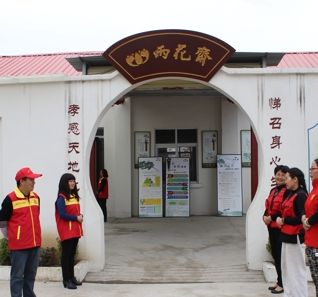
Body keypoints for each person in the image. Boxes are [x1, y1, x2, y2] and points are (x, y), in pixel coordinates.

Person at [0, 167, 42, 297]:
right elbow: (2, 222)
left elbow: (35, 217)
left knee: (30, 275)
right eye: (31, 179)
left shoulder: (36, 197)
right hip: (19, 247)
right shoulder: (10, 199)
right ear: (21, 181)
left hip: (35, 244)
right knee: (17, 277)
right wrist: (12, 236)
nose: (34, 182)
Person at [276, 167, 308, 297]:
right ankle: (289, 294)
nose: (285, 180)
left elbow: (300, 219)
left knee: (296, 271)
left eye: (287, 177)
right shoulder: (290, 193)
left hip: (295, 238)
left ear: (295, 180)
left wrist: (284, 220)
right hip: (286, 236)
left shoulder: (301, 195)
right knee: (287, 270)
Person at [263, 165, 289, 294]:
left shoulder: (287, 192)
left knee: (280, 256)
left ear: (287, 177)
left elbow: (283, 210)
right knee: (275, 255)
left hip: (280, 229)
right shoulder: (273, 190)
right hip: (271, 228)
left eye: (283, 175)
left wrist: (271, 217)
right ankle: (279, 281)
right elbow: (268, 207)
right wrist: (265, 216)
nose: (280, 177)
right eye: (278, 174)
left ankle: (283, 283)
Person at [55, 173, 83, 289]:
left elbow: (74, 211)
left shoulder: (73, 196)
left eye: (73, 181)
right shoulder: (61, 198)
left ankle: (71, 278)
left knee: (71, 255)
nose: (72, 183)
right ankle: (66, 280)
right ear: (64, 183)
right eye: (70, 181)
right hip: (67, 231)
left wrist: (79, 216)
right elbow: (62, 214)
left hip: (75, 230)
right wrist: (76, 218)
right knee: (66, 256)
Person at [303, 158, 318, 297]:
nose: (311, 172)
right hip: (311, 241)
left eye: (313, 169)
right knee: (315, 278)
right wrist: (304, 218)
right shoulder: (314, 189)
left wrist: (309, 221)